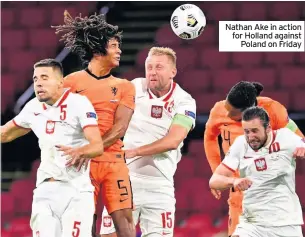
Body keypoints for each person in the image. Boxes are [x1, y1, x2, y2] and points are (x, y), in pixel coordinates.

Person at [53, 11, 136, 237]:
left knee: (126, 224)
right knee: (84, 223)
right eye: (114, 45)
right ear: (98, 49)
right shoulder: (70, 83)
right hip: (81, 165)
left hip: (112, 162)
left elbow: (120, 128)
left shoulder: (125, 86)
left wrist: (91, 149)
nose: (119, 50)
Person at [100, 47, 197, 237]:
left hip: (160, 187)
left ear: (173, 72)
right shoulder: (134, 88)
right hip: (126, 181)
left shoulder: (184, 101)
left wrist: (134, 152)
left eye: (159, 67)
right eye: (149, 67)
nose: (152, 72)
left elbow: (173, 140)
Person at [0, 59, 103, 237]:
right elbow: (5, 134)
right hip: (45, 191)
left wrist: (81, 151)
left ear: (60, 82)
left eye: (44, 78)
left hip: (76, 190)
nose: (38, 83)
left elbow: (97, 145)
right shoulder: (33, 107)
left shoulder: (79, 103)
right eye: (35, 79)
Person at [204, 81, 304, 236]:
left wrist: (301, 149)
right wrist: (218, 172)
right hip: (240, 195)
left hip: (276, 202)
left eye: (233, 113)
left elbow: (298, 139)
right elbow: (210, 138)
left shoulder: (274, 111)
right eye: (227, 108)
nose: (227, 114)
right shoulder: (221, 114)